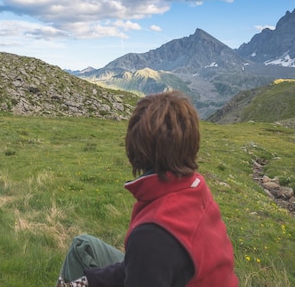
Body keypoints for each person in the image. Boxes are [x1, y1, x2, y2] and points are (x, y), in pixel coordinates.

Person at [57, 91, 238, 287]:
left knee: (81, 250)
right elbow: (143, 266)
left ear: (135, 148)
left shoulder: (153, 234)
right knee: (83, 246)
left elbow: (150, 255)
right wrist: (89, 281)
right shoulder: (194, 185)